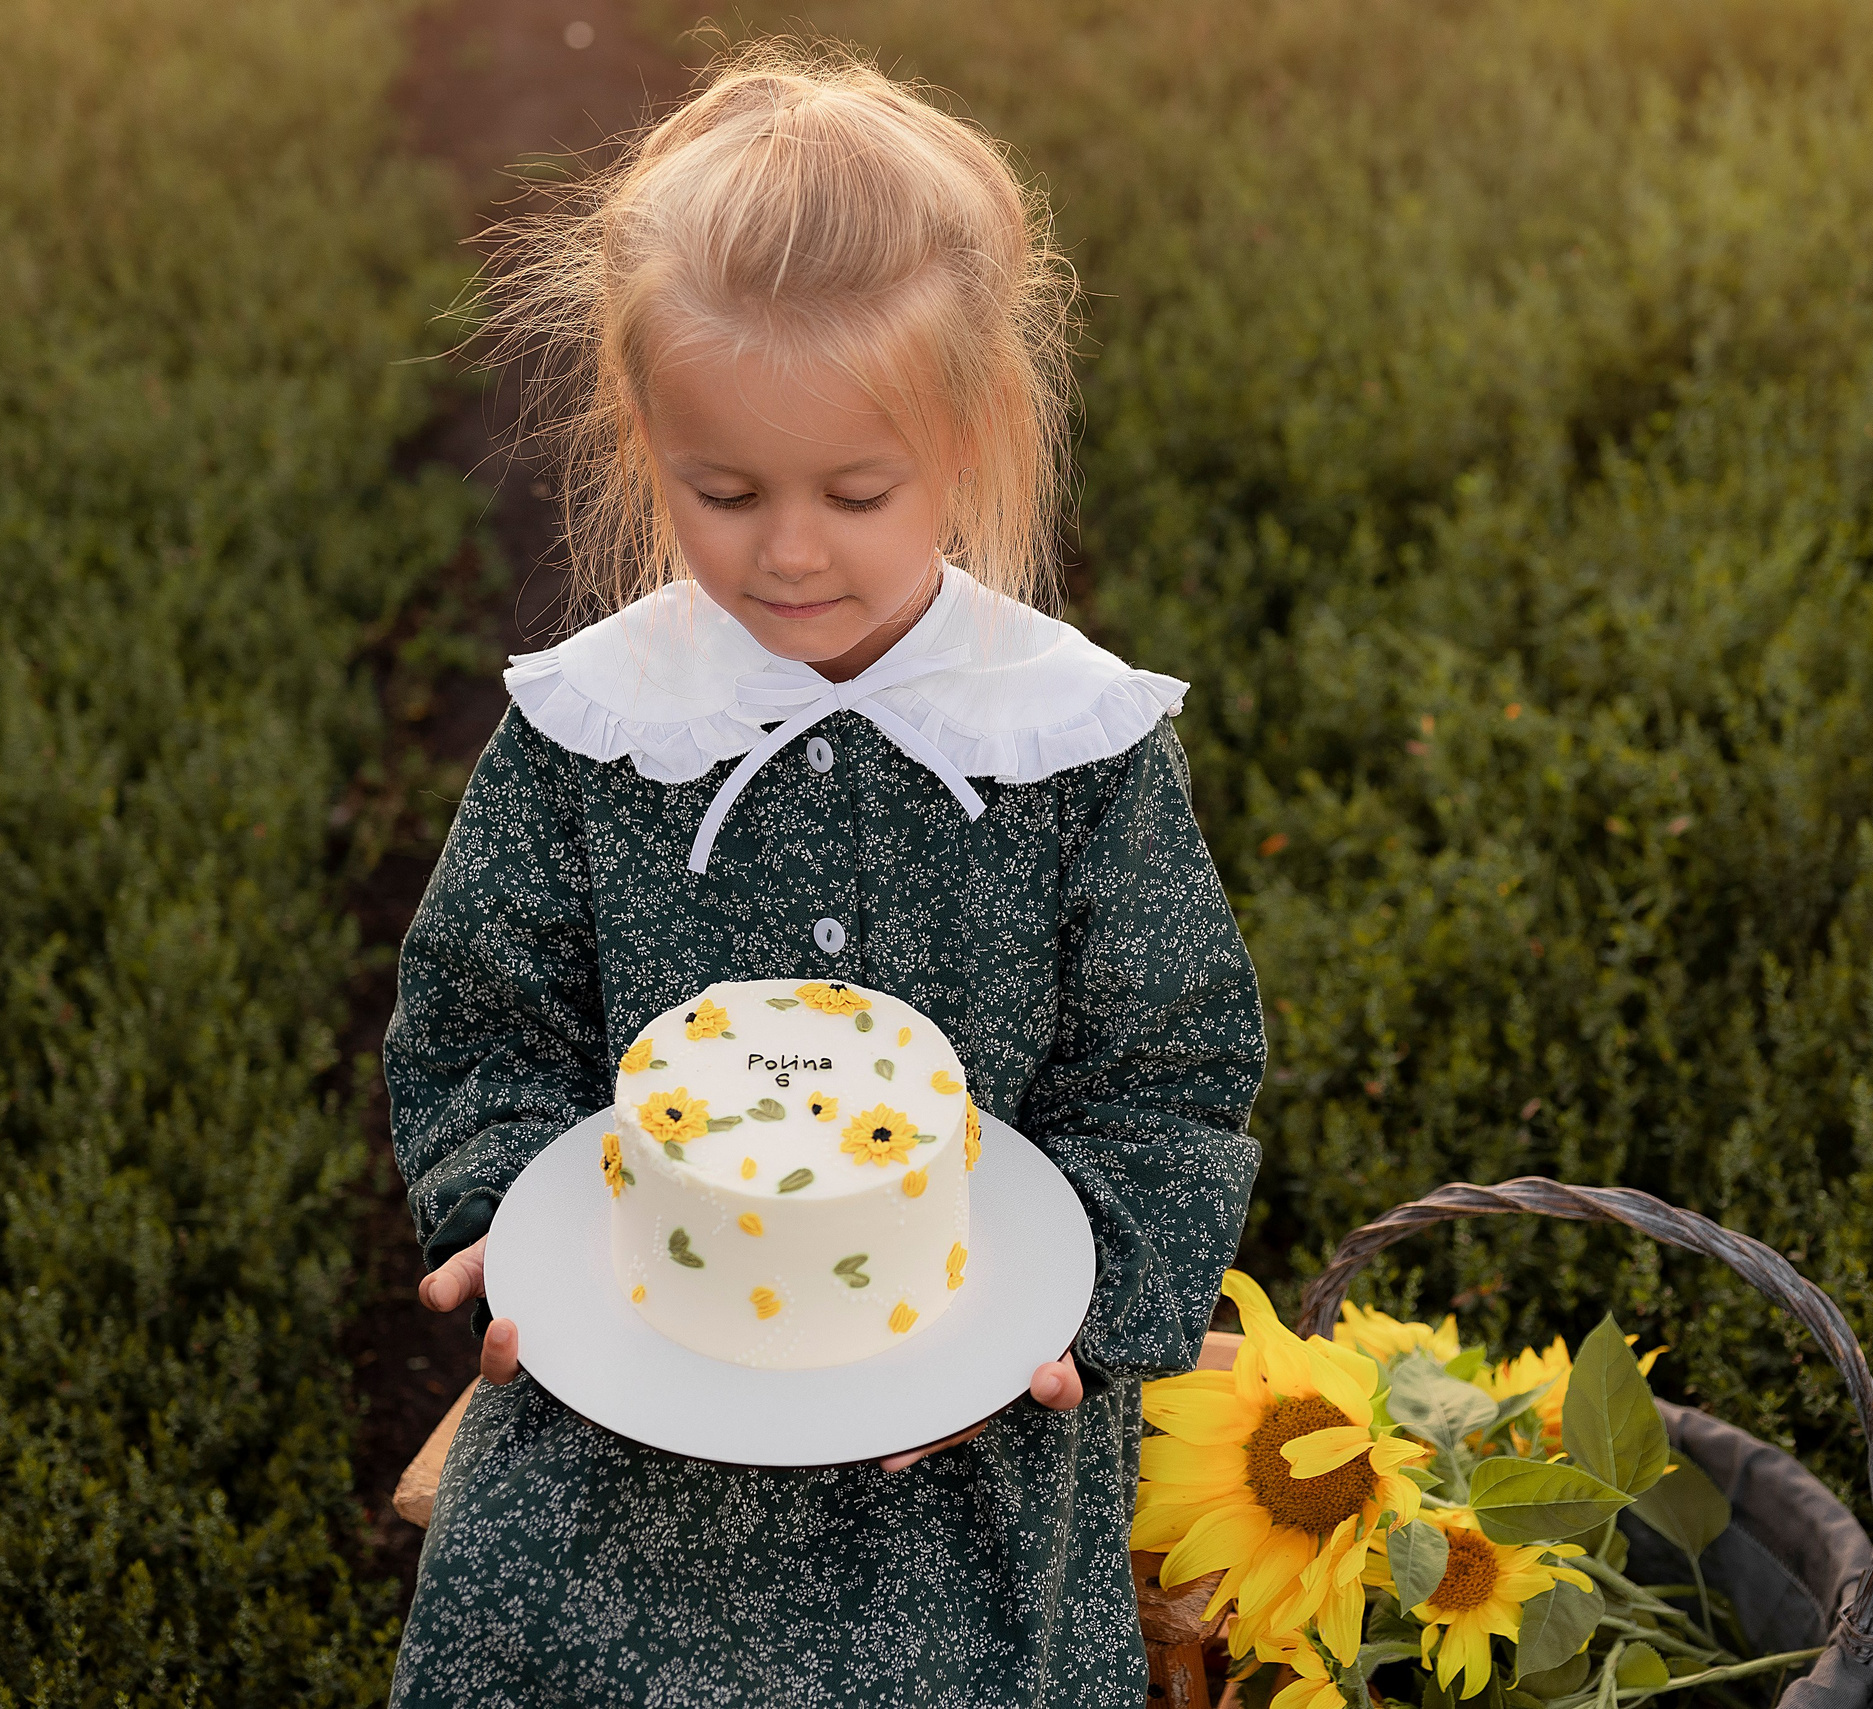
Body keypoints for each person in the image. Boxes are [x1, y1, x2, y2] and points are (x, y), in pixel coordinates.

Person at [385, 40, 1263, 1707]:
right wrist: (510, 1217)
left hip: (968, 1436)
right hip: (632, 1406)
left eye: (858, 492)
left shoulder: (1067, 746)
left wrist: (1069, 1323)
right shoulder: (596, 732)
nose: (789, 551)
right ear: (647, 442)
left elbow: (1171, 1078)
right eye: (725, 492)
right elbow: (478, 1022)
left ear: (976, 437)